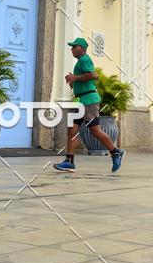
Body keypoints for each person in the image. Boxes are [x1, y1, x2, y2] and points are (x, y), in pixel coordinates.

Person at [53, 38, 125, 173]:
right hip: (81, 101)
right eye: (72, 47)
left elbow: (94, 75)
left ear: (81, 48)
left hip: (89, 101)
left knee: (95, 131)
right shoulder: (80, 62)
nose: (71, 49)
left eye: (74, 47)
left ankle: (116, 152)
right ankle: (69, 161)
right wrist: (75, 82)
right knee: (72, 130)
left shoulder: (85, 59)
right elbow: (86, 78)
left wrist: (75, 78)